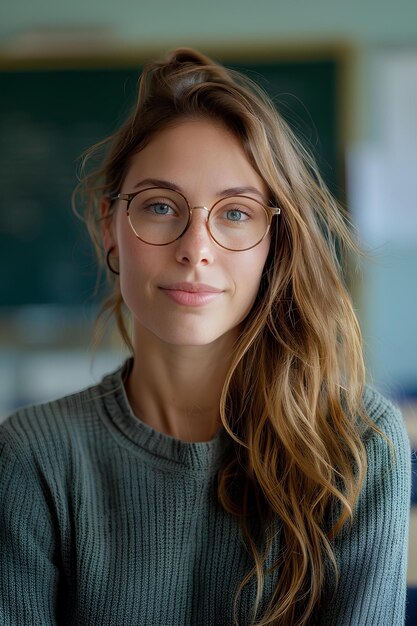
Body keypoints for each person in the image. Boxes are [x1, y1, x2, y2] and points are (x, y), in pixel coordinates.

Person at [0, 48, 411, 626]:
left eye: (236, 213)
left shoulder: (357, 445)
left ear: (275, 240)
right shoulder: (31, 458)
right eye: (161, 206)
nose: (196, 247)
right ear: (108, 227)